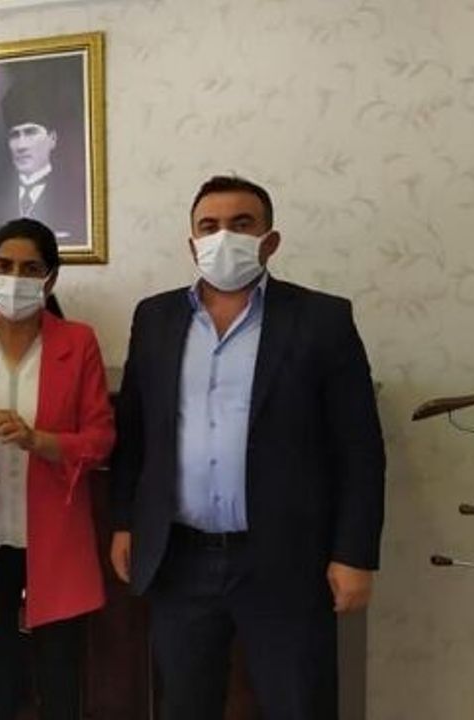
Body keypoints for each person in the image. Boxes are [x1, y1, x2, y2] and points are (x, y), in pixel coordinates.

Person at [109, 175, 385, 720]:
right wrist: (124, 522)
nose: (223, 237)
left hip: (285, 558)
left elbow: (359, 450)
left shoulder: (322, 319)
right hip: (180, 558)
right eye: (209, 226)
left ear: (269, 240)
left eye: (241, 224)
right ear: (193, 244)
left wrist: (354, 554)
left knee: (299, 705)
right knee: (185, 706)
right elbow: (135, 433)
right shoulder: (155, 318)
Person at [0, 218, 115, 720]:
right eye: (4, 265)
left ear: (51, 278)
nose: (15, 278)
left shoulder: (79, 342)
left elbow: (100, 440)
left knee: (59, 683)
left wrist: (39, 440)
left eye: (30, 268)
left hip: (52, 535)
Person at [0, 77, 87, 247]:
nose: (21, 146)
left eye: (31, 133)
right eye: (14, 135)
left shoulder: (76, 195)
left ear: (52, 139)